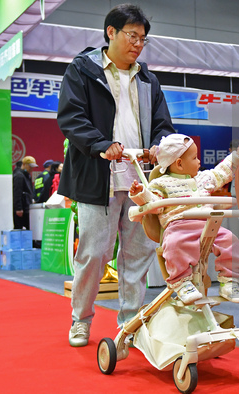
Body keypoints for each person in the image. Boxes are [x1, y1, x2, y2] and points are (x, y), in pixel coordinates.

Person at [57, 4, 175, 347]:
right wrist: (101, 144)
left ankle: (130, 324)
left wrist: (157, 146)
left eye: (143, 38)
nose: (138, 43)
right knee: (94, 254)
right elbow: (71, 117)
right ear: (111, 32)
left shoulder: (148, 79)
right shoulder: (83, 70)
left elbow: (163, 125)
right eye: (132, 35)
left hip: (139, 180)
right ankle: (81, 319)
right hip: (98, 177)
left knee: (137, 256)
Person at [129, 134, 239, 304]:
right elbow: (152, 202)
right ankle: (181, 282)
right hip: (179, 226)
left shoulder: (202, 178)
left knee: (230, 240)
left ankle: (230, 282)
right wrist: (140, 193)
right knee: (173, 245)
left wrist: (235, 158)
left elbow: (220, 173)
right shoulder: (161, 184)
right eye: (194, 157)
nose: (199, 161)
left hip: (208, 224)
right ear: (179, 163)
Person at [13, 156, 38, 229]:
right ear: (24, 164)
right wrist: (18, 208)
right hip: (22, 209)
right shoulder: (19, 176)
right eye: (30, 166)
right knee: (19, 228)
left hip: (26, 207)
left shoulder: (26, 175)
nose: (32, 168)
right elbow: (17, 192)